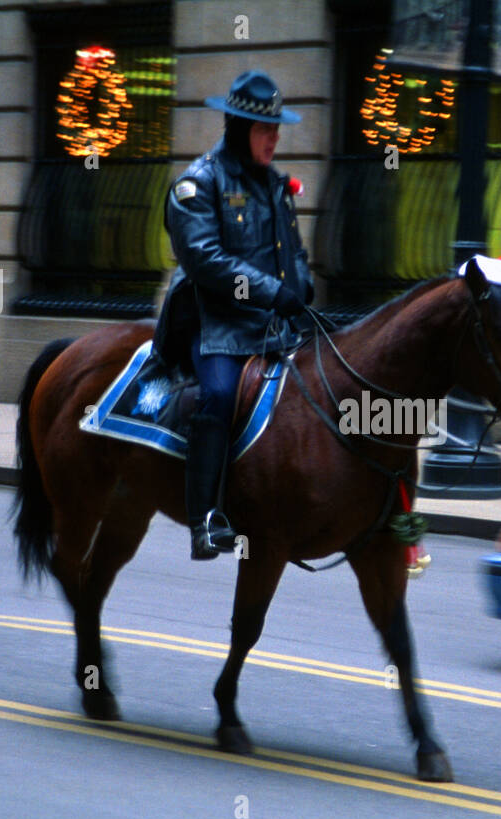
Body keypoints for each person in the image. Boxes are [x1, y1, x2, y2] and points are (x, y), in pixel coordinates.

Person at [154, 70, 314, 560]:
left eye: (277, 129)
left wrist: (299, 289)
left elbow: (293, 252)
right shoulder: (197, 184)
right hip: (216, 322)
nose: (275, 138)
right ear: (240, 128)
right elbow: (205, 260)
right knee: (220, 394)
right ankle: (205, 518)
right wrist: (272, 292)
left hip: (272, 323)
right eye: (267, 130)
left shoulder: (272, 184)